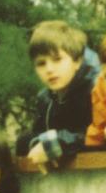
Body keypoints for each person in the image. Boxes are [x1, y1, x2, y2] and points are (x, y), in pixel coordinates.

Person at [16, 20, 101, 172]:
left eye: (57, 59)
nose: (49, 69)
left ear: (77, 61)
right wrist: (38, 144)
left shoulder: (97, 89)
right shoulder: (45, 99)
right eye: (41, 63)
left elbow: (98, 135)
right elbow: (36, 136)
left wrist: (55, 144)